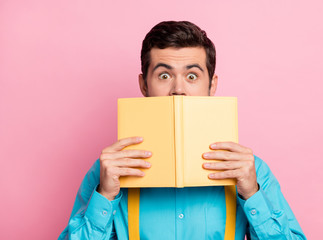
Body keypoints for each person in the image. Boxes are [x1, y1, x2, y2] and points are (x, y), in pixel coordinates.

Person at [59, 21, 306, 239]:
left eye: (192, 76)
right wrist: (104, 195)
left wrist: (252, 194)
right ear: (144, 85)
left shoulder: (251, 170)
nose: (178, 89)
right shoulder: (108, 170)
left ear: (212, 86)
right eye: (164, 75)